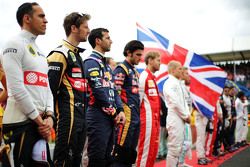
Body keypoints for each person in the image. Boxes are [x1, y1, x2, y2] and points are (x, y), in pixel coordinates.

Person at [1, 2, 54, 166]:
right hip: (20, 124)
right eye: (41, 16)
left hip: (40, 123)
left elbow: (47, 88)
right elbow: (16, 89)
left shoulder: (40, 51)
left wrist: (50, 116)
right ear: (27, 18)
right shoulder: (13, 44)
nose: (46, 21)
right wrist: (40, 121)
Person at [47, 12, 91, 166]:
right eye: (85, 27)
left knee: (76, 160)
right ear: (74, 28)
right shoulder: (60, 54)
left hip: (81, 117)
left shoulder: (78, 56)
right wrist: (49, 117)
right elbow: (49, 91)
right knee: (64, 160)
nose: (89, 30)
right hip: (66, 118)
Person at [83, 28, 125, 167]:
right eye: (108, 38)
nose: (111, 40)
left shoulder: (106, 66)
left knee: (108, 158)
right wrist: (114, 112)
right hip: (97, 116)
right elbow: (97, 90)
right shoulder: (91, 62)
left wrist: (120, 110)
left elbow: (114, 90)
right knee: (97, 158)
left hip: (110, 117)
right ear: (98, 41)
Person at [112, 40, 144, 166]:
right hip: (126, 117)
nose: (140, 58)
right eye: (138, 55)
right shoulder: (122, 69)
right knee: (121, 151)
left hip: (136, 116)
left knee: (131, 152)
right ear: (128, 53)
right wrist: (120, 111)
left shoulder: (135, 71)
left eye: (141, 55)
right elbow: (115, 93)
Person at [163, 60, 191, 167]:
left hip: (180, 117)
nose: (181, 71)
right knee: (174, 148)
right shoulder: (170, 83)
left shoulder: (177, 83)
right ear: (173, 70)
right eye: (179, 69)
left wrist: (186, 114)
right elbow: (175, 102)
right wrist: (185, 115)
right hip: (175, 117)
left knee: (179, 147)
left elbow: (184, 102)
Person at [136, 51, 161, 167]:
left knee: (153, 150)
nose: (160, 63)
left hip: (155, 120)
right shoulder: (144, 76)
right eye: (158, 60)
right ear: (150, 60)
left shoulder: (153, 78)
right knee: (145, 151)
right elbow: (138, 100)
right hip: (147, 119)